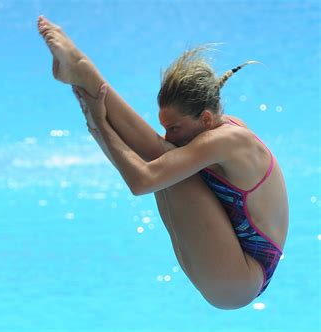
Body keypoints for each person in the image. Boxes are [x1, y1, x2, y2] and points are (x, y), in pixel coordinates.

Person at [37, 15, 288, 310]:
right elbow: (157, 154)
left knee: (168, 168)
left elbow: (141, 181)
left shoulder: (226, 140)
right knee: (166, 156)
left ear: (206, 119)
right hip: (234, 265)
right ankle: (83, 72)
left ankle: (85, 73)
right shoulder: (218, 132)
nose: (169, 134)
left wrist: (99, 125)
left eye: (175, 127)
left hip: (237, 282)